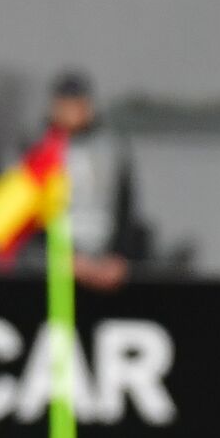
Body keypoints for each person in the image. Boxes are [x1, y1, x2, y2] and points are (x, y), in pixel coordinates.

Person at [43, 69, 149, 290]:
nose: (73, 111)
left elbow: (126, 209)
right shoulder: (36, 152)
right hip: (51, 270)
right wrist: (60, 257)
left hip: (105, 264)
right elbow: (22, 222)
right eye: (66, 104)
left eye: (78, 103)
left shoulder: (111, 150)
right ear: (55, 107)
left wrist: (120, 257)